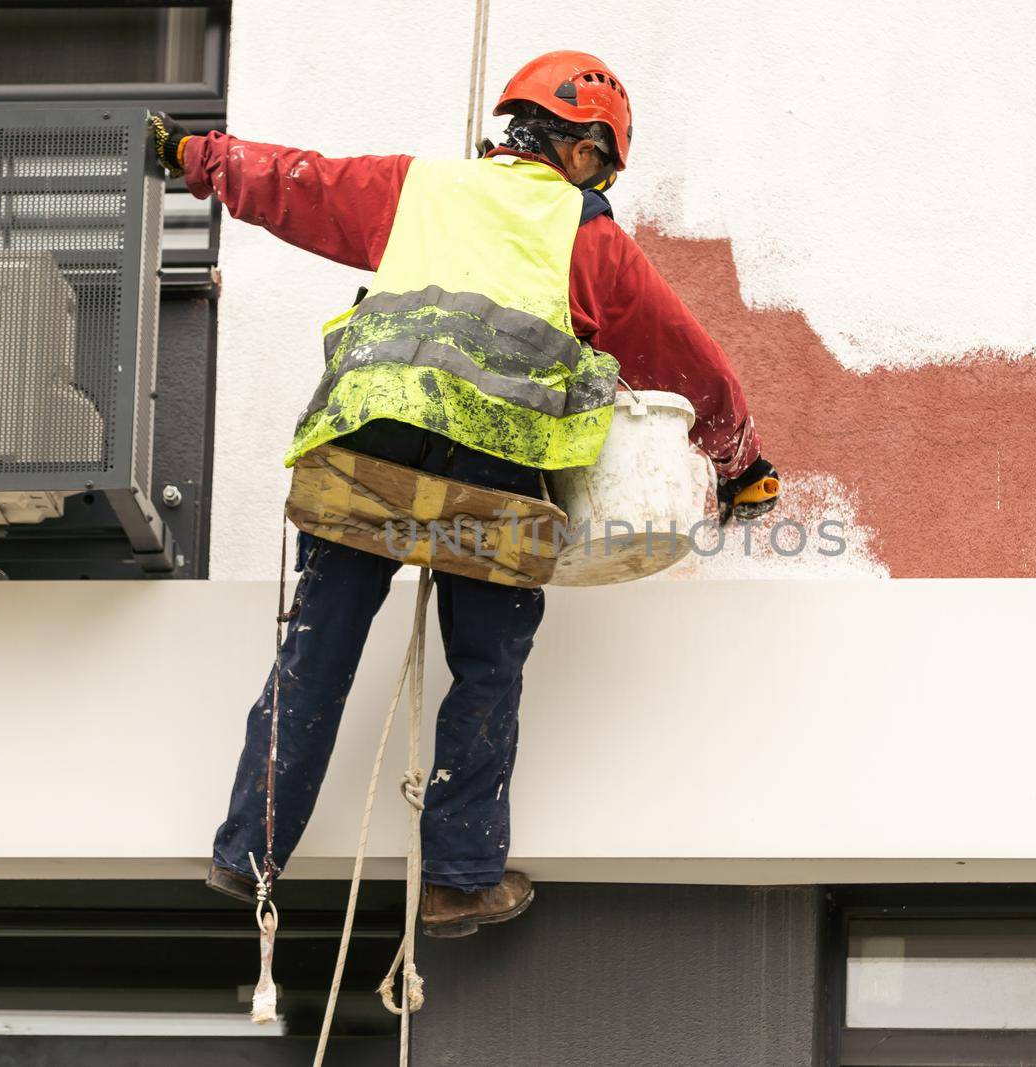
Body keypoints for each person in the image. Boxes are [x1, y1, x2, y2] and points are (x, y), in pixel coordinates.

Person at [151, 50, 779, 937]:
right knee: (486, 666)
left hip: (371, 441)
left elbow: (297, 184)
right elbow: (686, 361)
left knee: (318, 648)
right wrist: (739, 463)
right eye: (600, 162)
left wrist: (195, 157)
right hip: (495, 467)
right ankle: (457, 879)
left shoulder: (421, 187)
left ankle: (246, 852)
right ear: (585, 152)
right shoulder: (587, 237)